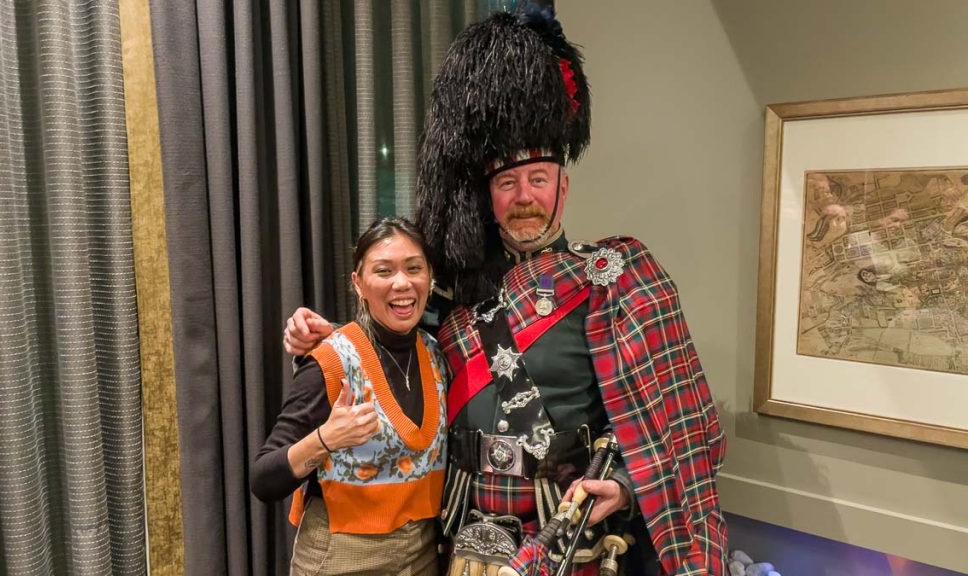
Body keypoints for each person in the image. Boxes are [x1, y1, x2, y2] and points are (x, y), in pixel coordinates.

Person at [285, 5, 726, 575]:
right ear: (488, 198)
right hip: (461, 523)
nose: (524, 196)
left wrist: (620, 483)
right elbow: (393, 356)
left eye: (538, 180)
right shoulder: (448, 291)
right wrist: (329, 341)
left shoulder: (612, 276)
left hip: (564, 526)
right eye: (508, 183)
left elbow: (669, 422)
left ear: (562, 187)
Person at [253, 217, 449, 576]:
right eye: (384, 271)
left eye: (414, 268)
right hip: (343, 557)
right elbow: (264, 479)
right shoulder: (333, 360)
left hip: (422, 554)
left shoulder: (437, 353)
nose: (402, 283)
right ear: (358, 283)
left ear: (430, 277)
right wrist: (325, 439)